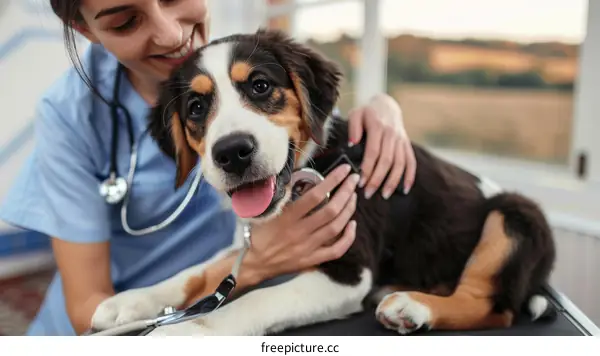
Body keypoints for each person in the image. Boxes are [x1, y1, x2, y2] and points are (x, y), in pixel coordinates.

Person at [0, 0, 417, 336]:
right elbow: (89, 316)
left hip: (215, 311)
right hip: (130, 327)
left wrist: (383, 107)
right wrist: (252, 265)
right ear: (86, 29)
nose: (170, 33)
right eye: (127, 21)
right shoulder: (69, 116)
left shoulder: (238, 57)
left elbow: (313, 123)